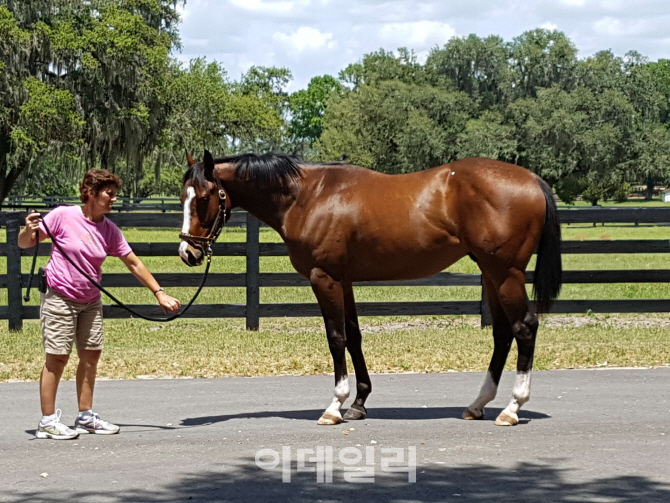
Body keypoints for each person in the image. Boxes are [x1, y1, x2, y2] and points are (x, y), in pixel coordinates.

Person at [18, 169, 182, 440]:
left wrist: (159, 293)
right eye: (109, 193)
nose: (114, 199)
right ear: (91, 194)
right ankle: (47, 422)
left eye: (115, 194)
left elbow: (133, 262)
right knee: (57, 357)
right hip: (59, 297)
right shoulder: (63, 216)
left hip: (90, 301)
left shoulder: (108, 229)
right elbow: (26, 243)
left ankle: (85, 417)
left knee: (91, 355)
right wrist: (28, 230)